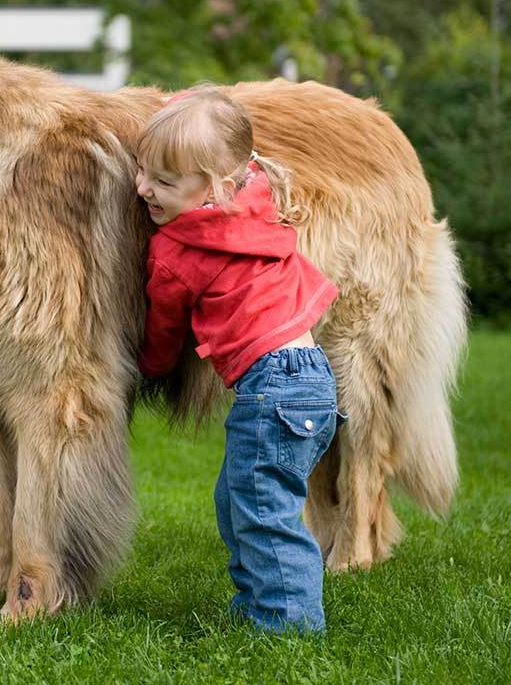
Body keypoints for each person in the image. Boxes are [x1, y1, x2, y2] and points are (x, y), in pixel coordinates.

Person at [135, 85, 341, 633]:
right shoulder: (253, 197)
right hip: (312, 381)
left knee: (264, 512)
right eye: (142, 171)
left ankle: (289, 625)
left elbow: (164, 329)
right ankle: (258, 601)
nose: (143, 189)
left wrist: (149, 369)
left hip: (272, 389)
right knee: (239, 499)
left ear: (213, 188)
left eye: (163, 182)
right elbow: (233, 149)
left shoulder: (176, 249)